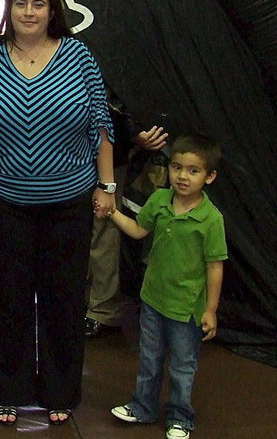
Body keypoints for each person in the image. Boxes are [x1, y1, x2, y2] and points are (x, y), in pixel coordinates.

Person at [0, 0, 114, 427]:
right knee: (7, 297)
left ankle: (60, 390)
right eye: (21, 4)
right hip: (3, 198)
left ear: (52, 11)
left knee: (63, 298)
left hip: (69, 200)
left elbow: (100, 122)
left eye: (38, 4)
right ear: (10, 9)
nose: (29, 12)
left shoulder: (79, 56)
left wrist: (106, 186)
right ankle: (8, 388)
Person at [102, 133, 227, 439]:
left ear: (209, 177)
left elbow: (215, 267)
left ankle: (180, 418)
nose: (182, 176)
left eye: (193, 170)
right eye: (176, 167)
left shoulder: (211, 220)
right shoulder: (159, 200)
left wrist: (210, 310)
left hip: (186, 310)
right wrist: (112, 212)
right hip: (153, 300)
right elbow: (137, 230)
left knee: (183, 366)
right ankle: (143, 407)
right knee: (149, 357)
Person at [85, 92, 168, 338]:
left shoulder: (109, 59)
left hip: (109, 156)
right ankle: (81, 302)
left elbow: (119, 95)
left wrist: (133, 131)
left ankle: (101, 309)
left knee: (102, 231)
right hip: (66, 157)